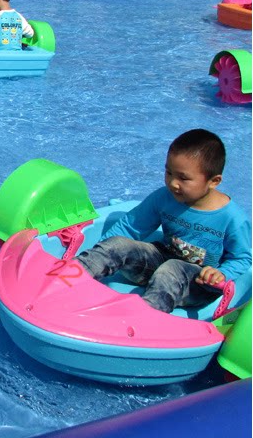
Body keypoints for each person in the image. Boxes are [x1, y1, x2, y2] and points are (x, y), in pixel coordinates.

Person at [74, 129, 251, 314]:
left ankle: (142, 317)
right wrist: (103, 254)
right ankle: (69, 278)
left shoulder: (233, 218)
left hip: (198, 282)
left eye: (183, 178)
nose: (173, 183)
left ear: (214, 181)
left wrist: (222, 274)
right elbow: (131, 226)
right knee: (119, 244)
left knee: (171, 270)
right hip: (161, 260)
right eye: (169, 172)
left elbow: (241, 258)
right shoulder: (164, 197)